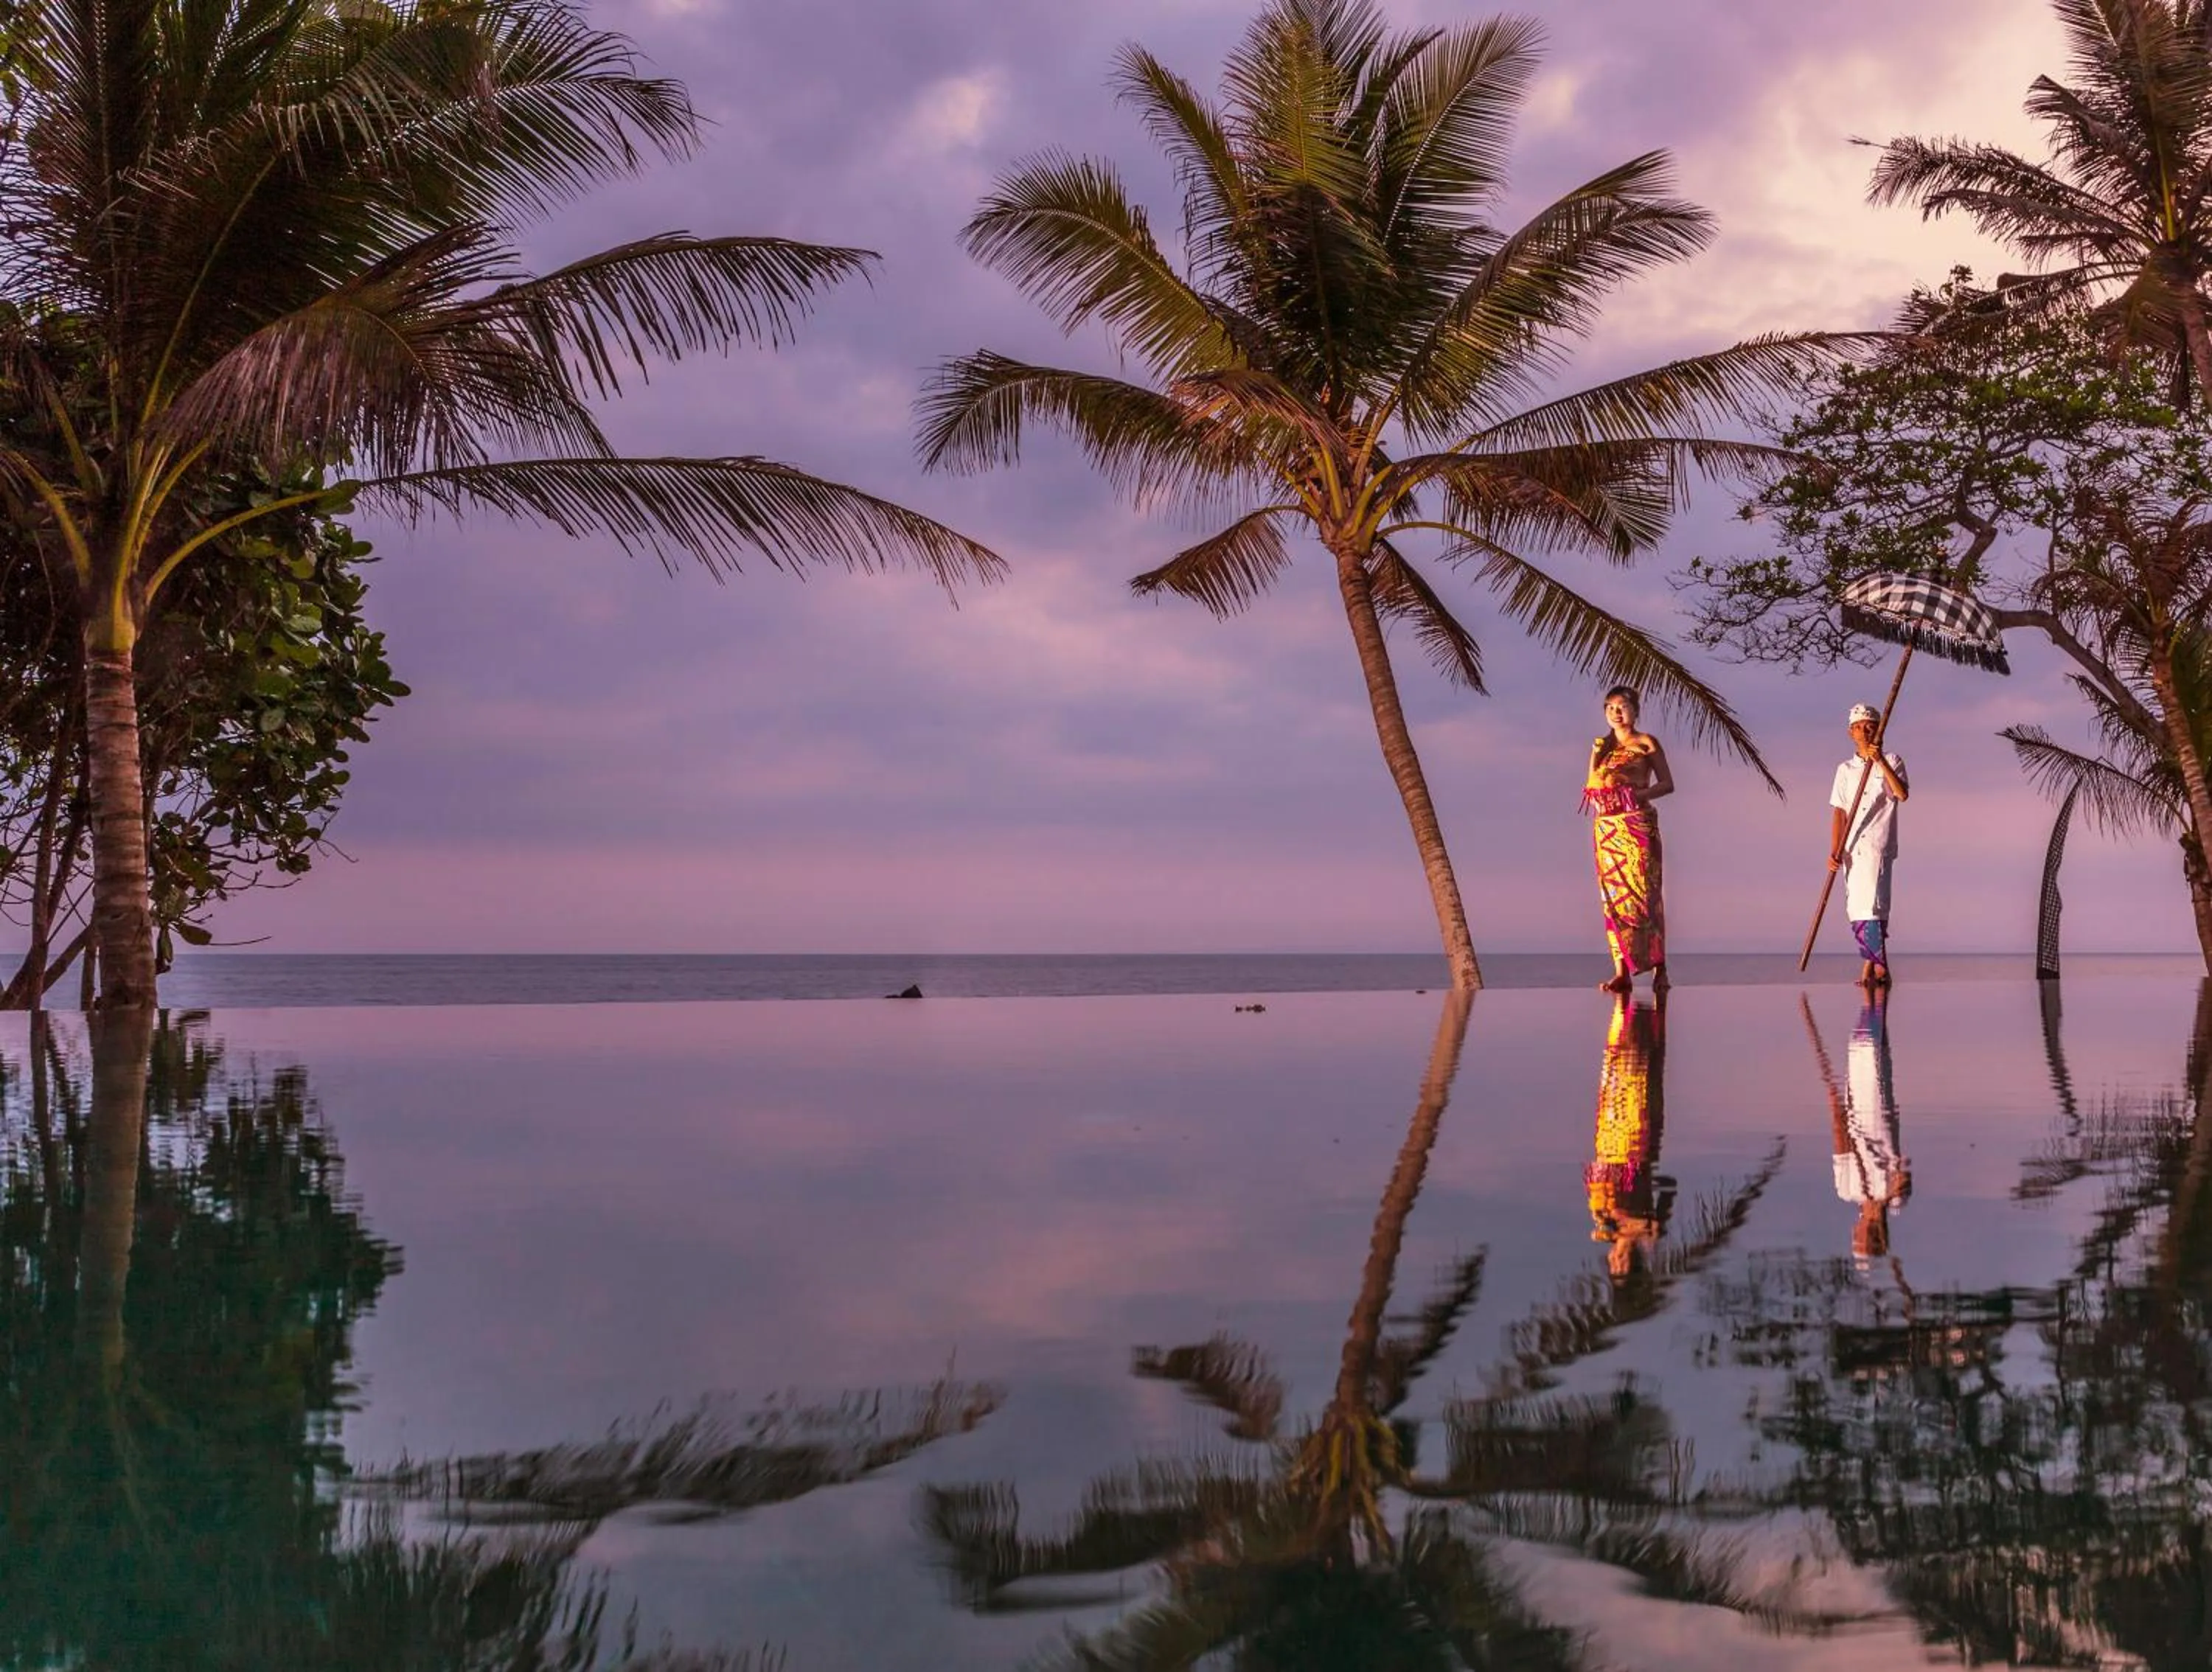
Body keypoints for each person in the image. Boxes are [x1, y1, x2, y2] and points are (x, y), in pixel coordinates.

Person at [1583, 684, 1674, 995]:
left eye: (1622, 706)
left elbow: (1667, 783)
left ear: (1635, 710)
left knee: (1646, 896)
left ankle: (1660, 970)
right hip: (1607, 829)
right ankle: (1621, 972)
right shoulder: (1602, 746)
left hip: (1637, 825)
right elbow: (1591, 785)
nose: (1616, 712)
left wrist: (1640, 795)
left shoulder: (1646, 743)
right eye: (1610, 707)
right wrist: (1596, 757)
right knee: (1613, 901)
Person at [1585, 992, 1674, 1282]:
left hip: (1609, 1147)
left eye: (1615, 1265)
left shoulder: (1603, 1228)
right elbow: (1671, 1185)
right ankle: (1639, 1023)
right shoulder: (1650, 1230)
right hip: (1635, 1151)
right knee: (1633, 1084)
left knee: (1624, 1080)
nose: (1618, 1259)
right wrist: (1648, 1183)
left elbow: (1600, 1198)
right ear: (1634, 1262)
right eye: (1623, 1265)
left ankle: (1634, 1022)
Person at [1827, 700, 1910, 988]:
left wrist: (1880, 762)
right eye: (1859, 727)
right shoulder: (1845, 770)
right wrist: (1835, 850)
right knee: (1857, 909)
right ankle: (1872, 967)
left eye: (1870, 726)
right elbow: (1839, 811)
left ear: (1879, 731)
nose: (1865, 731)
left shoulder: (1893, 760)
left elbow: (1901, 794)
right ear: (1851, 732)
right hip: (1852, 850)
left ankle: (1878, 968)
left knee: (1875, 907)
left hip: (1878, 846)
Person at [1826, 991, 1910, 1260]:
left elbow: (1840, 1138)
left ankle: (1873, 987)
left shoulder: (1847, 1190)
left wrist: (1834, 1099)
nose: (1853, 1232)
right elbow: (1904, 1175)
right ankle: (1874, 986)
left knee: (1867, 1047)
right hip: (1876, 1106)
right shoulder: (1894, 1201)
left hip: (1866, 1105)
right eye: (1857, 1237)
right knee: (1872, 1050)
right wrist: (1882, 1202)